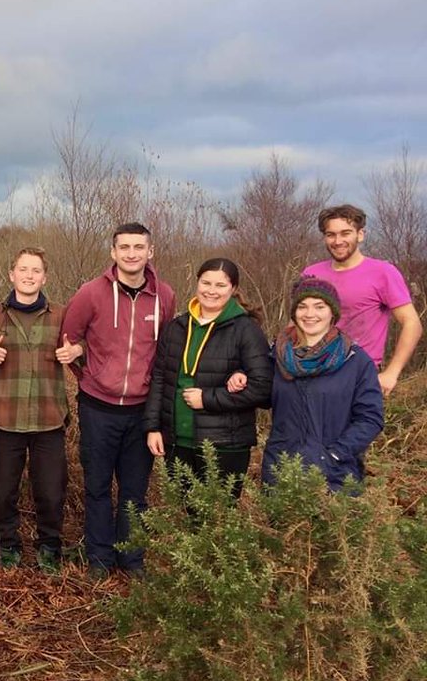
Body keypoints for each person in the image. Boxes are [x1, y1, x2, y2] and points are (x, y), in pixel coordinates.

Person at [59, 222, 176, 579]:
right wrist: (88, 373)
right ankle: (98, 557)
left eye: (138, 247)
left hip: (142, 410)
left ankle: (131, 558)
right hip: (98, 407)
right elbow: (69, 339)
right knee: (96, 486)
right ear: (113, 252)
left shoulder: (165, 297)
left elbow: (166, 349)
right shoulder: (91, 293)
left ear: (150, 252)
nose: (131, 254)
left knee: (134, 491)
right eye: (124, 247)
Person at [143, 258, 272, 498]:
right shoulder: (176, 327)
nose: (211, 291)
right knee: (185, 514)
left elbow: (262, 388)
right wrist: (153, 427)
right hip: (177, 441)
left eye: (220, 285)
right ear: (197, 283)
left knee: (218, 518)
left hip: (225, 444)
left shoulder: (246, 330)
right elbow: (160, 378)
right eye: (206, 283)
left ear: (233, 289)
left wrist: (208, 398)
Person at [0, 247, 69, 573]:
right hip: (4, 415)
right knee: (3, 491)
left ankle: (49, 548)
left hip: (48, 417)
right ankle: (8, 547)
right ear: (11, 274)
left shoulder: (60, 315)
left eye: (35, 271)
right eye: (23, 269)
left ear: (44, 277)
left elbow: (82, 349)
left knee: (50, 491)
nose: (29, 276)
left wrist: (77, 351)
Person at [262, 277, 384, 492]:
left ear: (332, 312)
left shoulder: (355, 360)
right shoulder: (277, 355)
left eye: (319, 306)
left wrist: (335, 454)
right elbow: (260, 396)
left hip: (334, 475)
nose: (310, 314)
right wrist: (239, 376)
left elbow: (370, 419)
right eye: (302, 306)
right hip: (281, 471)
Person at [304, 204, 421, 396]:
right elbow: (295, 325)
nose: (338, 241)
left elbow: (412, 324)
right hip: (312, 372)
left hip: (359, 374)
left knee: (357, 427)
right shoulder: (311, 274)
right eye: (330, 234)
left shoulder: (383, 272)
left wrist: (392, 372)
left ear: (360, 235)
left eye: (345, 233)